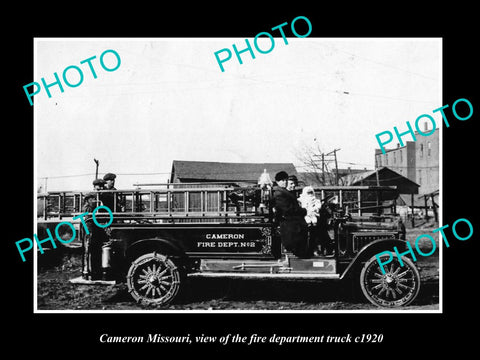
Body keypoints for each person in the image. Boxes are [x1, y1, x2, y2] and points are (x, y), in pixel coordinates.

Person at [272, 171, 310, 258]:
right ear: (278, 181)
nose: (285, 182)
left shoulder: (284, 192)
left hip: (294, 223)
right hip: (290, 224)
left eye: (285, 180)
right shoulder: (279, 193)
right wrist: (304, 211)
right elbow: (288, 210)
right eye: (282, 180)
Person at [298, 186, 323, 256]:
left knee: (316, 231)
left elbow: (318, 207)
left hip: (314, 217)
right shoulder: (301, 200)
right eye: (308, 193)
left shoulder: (316, 200)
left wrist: (314, 209)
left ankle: (315, 248)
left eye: (311, 193)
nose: (310, 195)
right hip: (304, 217)